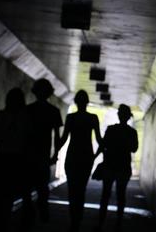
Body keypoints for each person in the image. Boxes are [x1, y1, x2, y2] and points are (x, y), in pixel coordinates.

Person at [0, 88, 31, 232]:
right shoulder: (25, 118)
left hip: (1, 157)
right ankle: (4, 221)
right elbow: (28, 141)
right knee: (9, 194)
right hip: (16, 159)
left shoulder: (0, 115)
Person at [57, 90, 102, 232]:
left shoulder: (70, 118)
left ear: (76, 102)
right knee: (81, 189)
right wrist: (96, 155)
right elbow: (100, 140)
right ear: (87, 102)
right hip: (86, 157)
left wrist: (53, 152)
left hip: (72, 156)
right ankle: (78, 219)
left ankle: (73, 219)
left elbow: (64, 139)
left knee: (72, 189)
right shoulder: (93, 118)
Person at [22, 78, 63, 227]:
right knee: (42, 185)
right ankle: (42, 207)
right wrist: (55, 155)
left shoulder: (27, 110)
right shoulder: (54, 111)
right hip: (43, 155)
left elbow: (23, 133)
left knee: (27, 186)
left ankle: (29, 212)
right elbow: (57, 136)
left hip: (28, 154)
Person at [94, 104, 138, 231]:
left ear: (119, 115)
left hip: (110, 165)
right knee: (121, 195)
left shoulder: (111, 129)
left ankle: (101, 224)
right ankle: (118, 224)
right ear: (128, 117)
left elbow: (103, 145)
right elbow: (134, 148)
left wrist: (94, 157)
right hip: (123, 167)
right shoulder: (132, 132)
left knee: (105, 195)